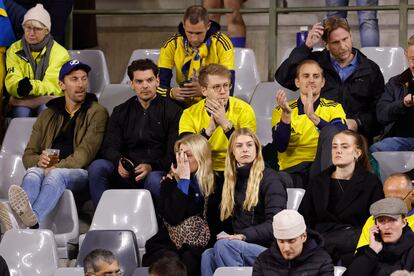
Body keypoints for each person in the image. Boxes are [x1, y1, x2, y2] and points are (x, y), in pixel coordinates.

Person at [0, 59, 108, 232]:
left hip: (81, 173)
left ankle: (28, 223)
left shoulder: (97, 112)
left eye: (84, 78)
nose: (80, 84)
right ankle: (25, 224)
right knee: (33, 172)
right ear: (61, 84)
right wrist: (39, 160)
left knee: (56, 175)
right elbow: (28, 156)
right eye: (74, 79)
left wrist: (57, 166)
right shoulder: (47, 114)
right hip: (49, 169)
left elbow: (85, 154)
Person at [88, 59, 182, 207]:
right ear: (131, 84)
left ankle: (159, 227)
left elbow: (173, 152)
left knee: (153, 180)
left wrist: (152, 166)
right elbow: (108, 147)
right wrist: (119, 161)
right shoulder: (120, 111)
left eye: (150, 80)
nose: (145, 85)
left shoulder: (174, 111)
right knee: (97, 167)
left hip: (156, 171)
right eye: (139, 81)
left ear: (157, 81)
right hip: (126, 171)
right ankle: (102, 218)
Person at [275, 16, 384, 141]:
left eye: (345, 39)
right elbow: (283, 77)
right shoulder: (315, 63)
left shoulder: (370, 69)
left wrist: (358, 122)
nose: (343, 46)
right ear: (326, 44)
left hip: (356, 136)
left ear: (351, 36)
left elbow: (379, 111)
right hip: (316, 134)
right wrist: (306, 46)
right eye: (336, 42)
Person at [201, 128, 287, 276]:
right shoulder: (231, 181)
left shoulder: (270, 179)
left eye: (249, 145)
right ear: (232, 152)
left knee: (224, 246)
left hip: (270, 250)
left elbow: (276, 224)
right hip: (243, 246)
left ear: (256, 149)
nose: (245, 149)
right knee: (208, 255)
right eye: (239, 146)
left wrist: (242, 236)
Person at [301, 129, 384, 266]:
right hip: (320, 237)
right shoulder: (317, 182)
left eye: (344, 147)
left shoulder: (371, 183)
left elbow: (376, 222)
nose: (338, 151)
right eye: (334, 147)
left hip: (354, 242)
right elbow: (304, 218)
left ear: (357, 153)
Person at [143, 134, 222, 276]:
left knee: (190, 259)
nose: (182, 159)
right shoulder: (169, 182)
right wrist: (183, 181)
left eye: (188, 155)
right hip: (170, 241)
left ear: (201, 157)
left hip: (203, 242)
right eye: (179, 155)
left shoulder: (217, 183)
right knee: (170, 259)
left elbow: (219, 222)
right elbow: (173, 217)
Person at [272, 59, 347, 187]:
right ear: (297, 82)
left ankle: (329, 190)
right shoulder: (281, 109)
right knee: (275, 180)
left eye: (316, 76)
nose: (311, 80)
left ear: (322, 82)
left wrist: (313, 117)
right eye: (306, 76)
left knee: (331, 131)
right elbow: (280, 146)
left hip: (320, 169)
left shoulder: (334, 108)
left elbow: (341, 137)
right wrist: (286, 116)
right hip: (292, 171)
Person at [179, 63, 256, 172]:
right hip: (203, 169)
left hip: (236, 169)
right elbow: (186, 152)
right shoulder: (189, 114)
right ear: (204, 90)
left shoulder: (245, 110)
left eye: (225, 85)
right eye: (216, 87)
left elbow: (249, 151)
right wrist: (208, 131)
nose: (223, 91)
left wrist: (226, 125)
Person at [157, 5, 235, 106]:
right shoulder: (172, 44)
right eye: (190, 32)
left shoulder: (222, 44)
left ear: (208, 26)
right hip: (182, 103)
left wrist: (206, 91)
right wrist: (171, 92)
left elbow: (229, 87)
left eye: (199, 33)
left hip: (212, 102)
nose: (194, 39)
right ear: (184, 26)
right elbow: (159, 84)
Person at [5, 3, 69, 118]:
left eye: (37, 29)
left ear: (47, 31)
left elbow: (54, 85)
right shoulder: (14, 49)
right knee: (21, 113)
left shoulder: (60, 53)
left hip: (48, 98)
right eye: (28, 27)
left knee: (45, 111)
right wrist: (18, 87)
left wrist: (30, 87)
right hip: (22, 99)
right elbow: (12, 79)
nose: (31, 33)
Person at [252, 209, 334, 276]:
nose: (286, 248)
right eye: (281, 241)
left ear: (304, 236)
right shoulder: (262, 261)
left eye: (291, 241)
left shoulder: (322, 261)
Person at [344, 198, 414, 275]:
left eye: (392, 220)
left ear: (403, 222)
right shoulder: (368, 251)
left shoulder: (411, 252)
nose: (387, 227)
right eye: (381, 221)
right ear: (375, 225)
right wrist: (372, 251)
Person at [370, 34, 414, 153]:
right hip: (398, 140)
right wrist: (402, 104)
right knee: (376, 149)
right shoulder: (396, 82)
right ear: (406, 56)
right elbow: (381, 115)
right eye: (413, 59)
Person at [356, 173, 414, 249]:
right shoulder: (373, 221)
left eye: (398, 200)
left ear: (412, 196)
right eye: (388, 199)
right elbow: (360, 257)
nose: (393, 205)